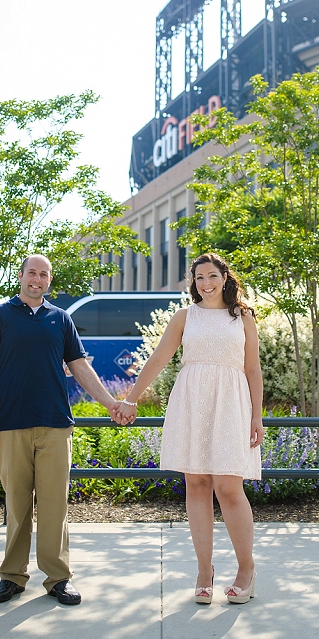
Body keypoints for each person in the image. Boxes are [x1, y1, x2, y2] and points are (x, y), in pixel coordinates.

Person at [114, 252, 264, 605]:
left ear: (225, 278)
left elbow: (253, 369)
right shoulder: (184, 317)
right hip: (192, 399)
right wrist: (131, 398)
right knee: (196, 482)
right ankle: (203, 570)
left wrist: (256, 417)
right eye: (199, 278)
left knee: (229, 486)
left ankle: (246, 569)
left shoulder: (242, 317)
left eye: (212, 276)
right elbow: (159, 358)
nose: (206, 283)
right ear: (193, 282)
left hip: (231, 402)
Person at [0, 254, 119, 606]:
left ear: (49, 281)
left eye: (44, 274)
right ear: (20, 276)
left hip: (55, 425)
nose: (37, 279)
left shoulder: (61, 319)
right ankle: (11, 577)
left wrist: (111, 403)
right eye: (31, 273)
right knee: (17, 504)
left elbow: (80, 367)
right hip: (11, 426)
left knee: (55, 505)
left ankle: (58, 579)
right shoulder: (0, 317)